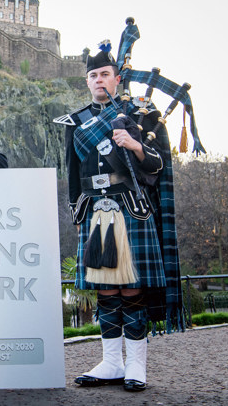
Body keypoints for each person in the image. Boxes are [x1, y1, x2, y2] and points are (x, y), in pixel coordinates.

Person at [58, 45, 183, 392]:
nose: (99, 81)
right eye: (93, 76)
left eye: (105, 75)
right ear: (87, 81)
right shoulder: (77, 120)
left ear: (117, 78)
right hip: (96, 209)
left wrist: (135, 145)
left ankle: (136, 364)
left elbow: (158, 166)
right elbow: (72, 172)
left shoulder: (140, 113)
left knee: (132, 287)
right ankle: (112, 361)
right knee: (105, 288)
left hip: (131, 209)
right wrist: (77, 207)